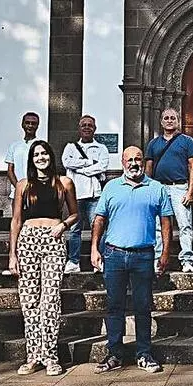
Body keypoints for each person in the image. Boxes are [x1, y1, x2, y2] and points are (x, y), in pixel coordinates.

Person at [91, 146, 173, 374]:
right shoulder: (111, 187)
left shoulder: (156, 188)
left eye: (138, 159)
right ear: (123, 162)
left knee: (143, 306)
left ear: (143, 162)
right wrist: (94, 249)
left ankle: (144, 354)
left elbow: (166, 223)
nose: (134, 163)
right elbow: (99, 219)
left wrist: (166, 253)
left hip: (143, 255)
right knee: (114, 306)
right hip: (114, 254)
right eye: (130, 160)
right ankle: (114, 354)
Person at [8, 140, 78, 376]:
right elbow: (16, 220)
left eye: (44, 153)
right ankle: (33, 356)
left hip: (53, 239)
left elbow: (75, 214)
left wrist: (63, 225)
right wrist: (12, 254)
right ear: (31, 159)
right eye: (36, 154)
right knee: (29, 300)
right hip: (28, 240)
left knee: (50, 299)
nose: (41, 158)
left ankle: (50, 356)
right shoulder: (23, 185)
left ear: (51, 156)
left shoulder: (64, 182)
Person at [145, 108, 193, 273]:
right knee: (158, 226)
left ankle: (187, 260)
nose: (169, 120)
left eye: (173, 118)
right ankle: (158, 260)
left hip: (179, 187)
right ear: (161, 122)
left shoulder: (187, 141)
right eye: (166, 118)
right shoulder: (153, 144)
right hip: (158, 188)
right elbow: (148, 169)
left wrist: (190, 191)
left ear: (178, 121)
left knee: (184, 225)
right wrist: (147, 191)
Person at [61, 115, 110, 274]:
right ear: (79, 128)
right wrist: (89, 163)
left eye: (90, 125)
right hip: (75, 195)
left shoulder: (101, 148)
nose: (87, 127)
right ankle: (73, 261)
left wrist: (80, 170)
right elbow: (67, 162)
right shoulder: (70, 147)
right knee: (74, 229)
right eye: (84, 125)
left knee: (98, 228)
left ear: (95, 129)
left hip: (94, 195)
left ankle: (99, 260)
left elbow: (102, 167)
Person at [2, 111, 41, 276]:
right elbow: (10, 170)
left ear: (38, 125)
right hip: (17, 192)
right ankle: (14, 260)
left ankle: (32, 261)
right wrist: (19, 187)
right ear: (23, 124)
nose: (30, 126)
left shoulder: (40, 144)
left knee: (33, 225)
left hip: (36, 192)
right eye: (28, 122)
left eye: (33, 123)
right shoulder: (15, 146)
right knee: (16, 225)